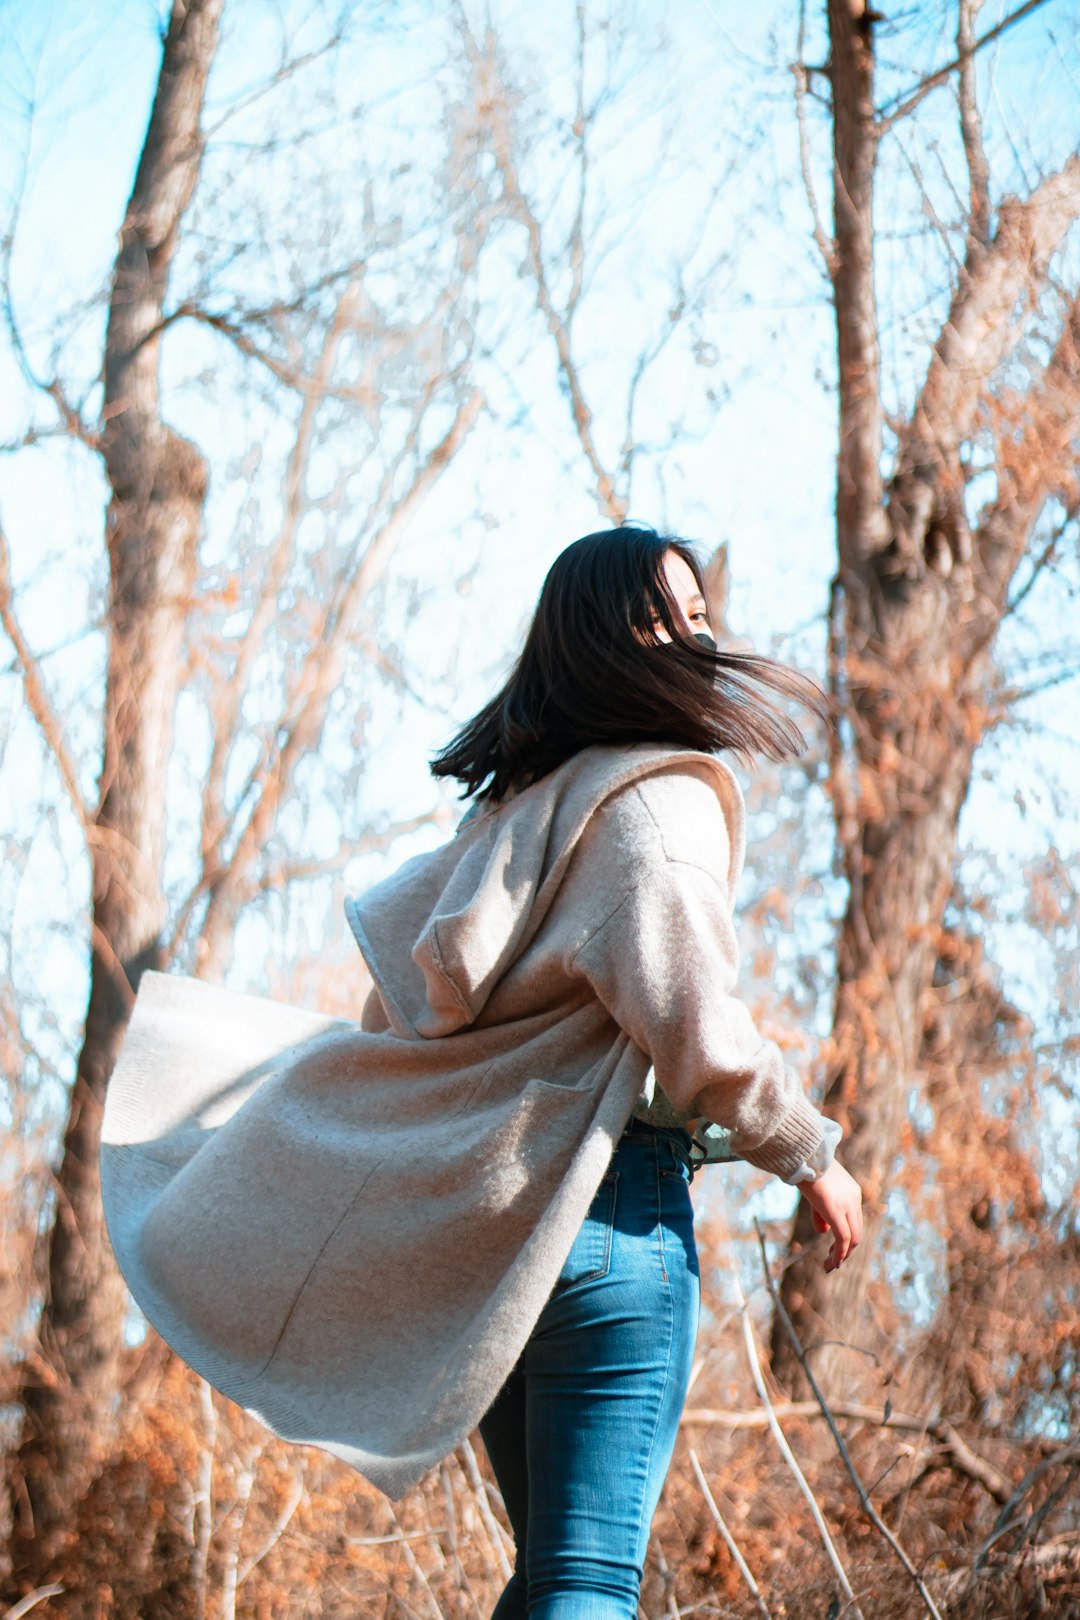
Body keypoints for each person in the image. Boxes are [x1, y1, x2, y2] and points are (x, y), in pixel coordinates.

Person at [101, 524, 862, 1620]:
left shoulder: (508, 822)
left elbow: (405, 1023)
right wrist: (811, 1155)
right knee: (591, 1581)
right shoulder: (659, 810)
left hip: (499, 1247)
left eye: (703, 617)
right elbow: (700, 1032)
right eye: (669, 618)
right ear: (607, 640)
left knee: (552, 1576)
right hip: (616, 1228)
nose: (699, 640)